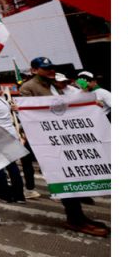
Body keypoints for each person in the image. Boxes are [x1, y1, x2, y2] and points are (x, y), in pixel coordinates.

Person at [20, 59, 107, 237]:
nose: (51, 70)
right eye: (46, 69)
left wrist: (89, 104)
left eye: (52, 67)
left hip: (67, 138)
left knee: (73, 175)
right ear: (35, 70)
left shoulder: (58, 85)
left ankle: (79, 217)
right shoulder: (28, 88)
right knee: (62, 177)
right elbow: (32, 114)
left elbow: (69, 105)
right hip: (49, 140)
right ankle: (75, 219)